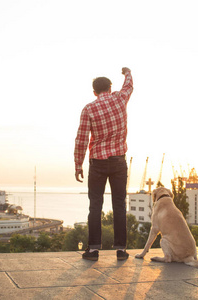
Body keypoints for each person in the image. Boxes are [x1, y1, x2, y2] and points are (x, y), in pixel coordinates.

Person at [74, 67, 133, 261]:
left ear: (94, 92)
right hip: (118, 162)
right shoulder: (119, 99)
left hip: (97, 163)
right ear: (110, 87)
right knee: (119, 204)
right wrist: (127, 72)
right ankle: (121, 250)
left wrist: (78, 165)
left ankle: (92, 250)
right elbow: (129, 86)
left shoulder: (89, 108)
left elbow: (81, 139)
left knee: (95, 206)